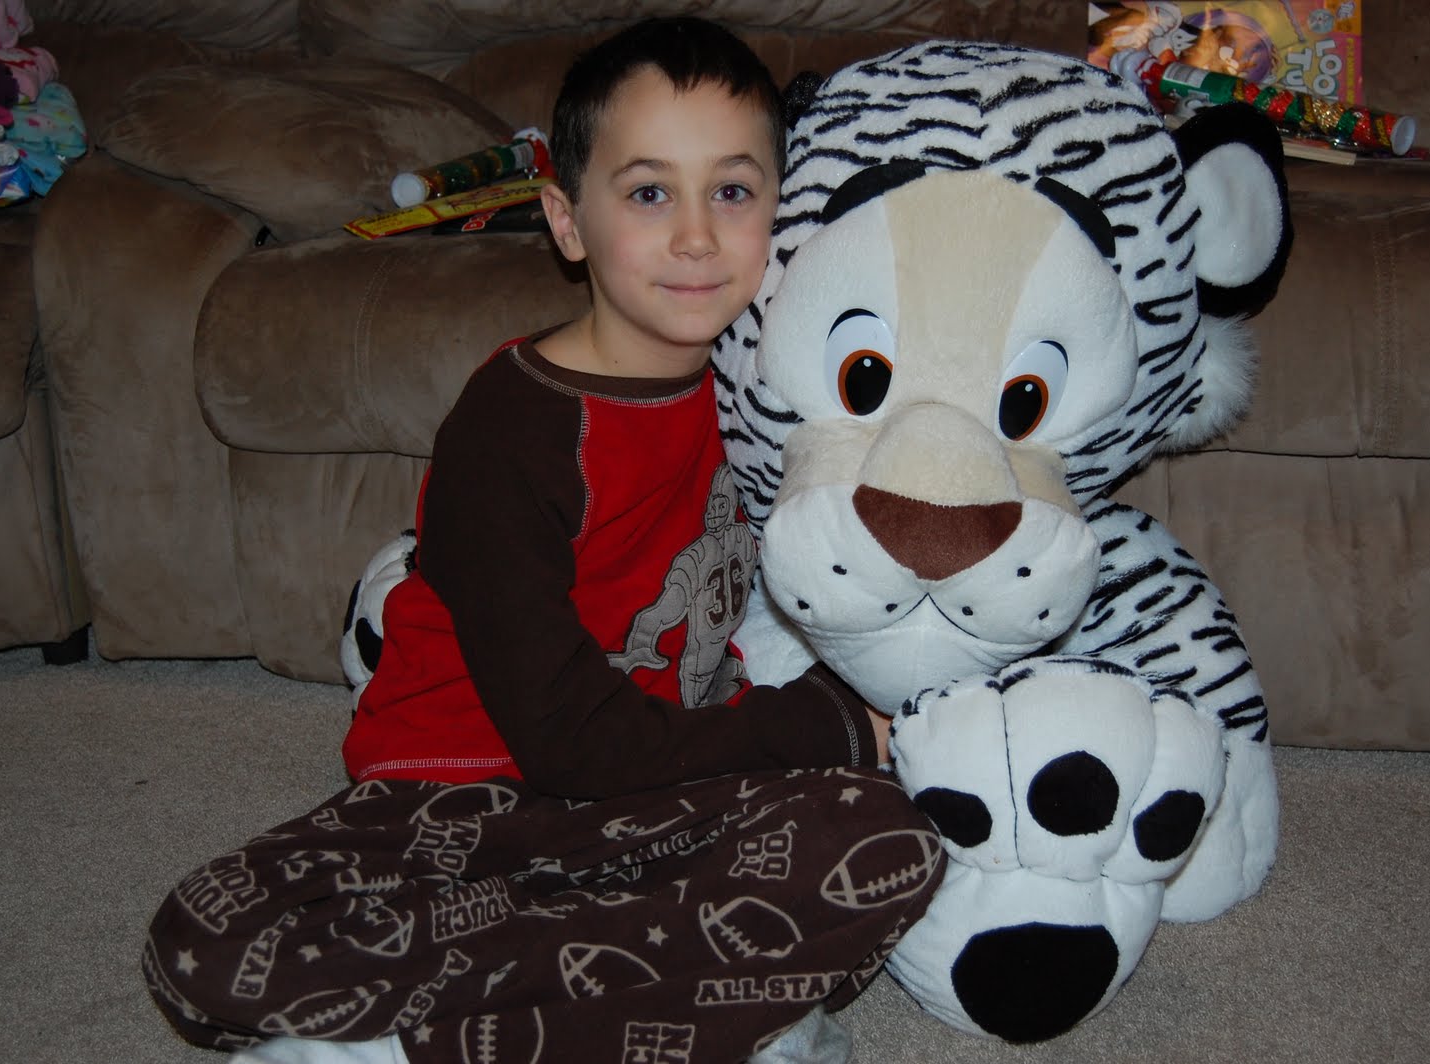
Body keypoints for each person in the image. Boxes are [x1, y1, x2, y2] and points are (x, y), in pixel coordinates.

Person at [143, 17, 943, 1064]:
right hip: (454, 798)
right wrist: (829, 723)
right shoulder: (513, 425)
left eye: (733, 191)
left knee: (886, 842)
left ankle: (437, 1037)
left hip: (657, 797)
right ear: (568, 222)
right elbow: (569, 741)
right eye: (648, 193)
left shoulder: (771, 390)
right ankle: (700, 1014)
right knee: (202, 944)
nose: (695, 236)